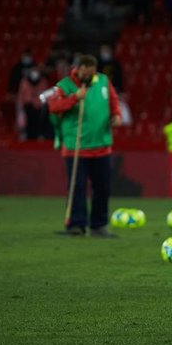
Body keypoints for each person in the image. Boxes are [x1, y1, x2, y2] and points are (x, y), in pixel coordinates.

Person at [48, 55, 122, 236]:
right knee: (77, 188)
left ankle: (98, 225)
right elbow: (54, 106)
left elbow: (113, 102)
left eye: (91, 73)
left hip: (102, 146)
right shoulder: (63, 85)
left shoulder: (103, 81)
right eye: (84, 73)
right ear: (77, 69)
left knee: (102, 188)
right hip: (76, 147)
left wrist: (116, 116)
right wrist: (75, 98)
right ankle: (76, 224)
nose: (88, 77)